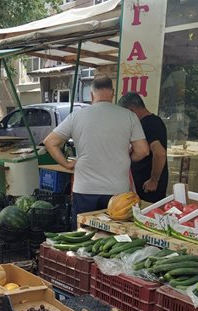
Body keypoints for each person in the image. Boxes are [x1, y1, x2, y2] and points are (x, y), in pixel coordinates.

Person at [44, 77, 150, 228]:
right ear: (112, 94)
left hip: (85, 189)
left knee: (84, 238)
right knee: (111, 241)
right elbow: (143, 151)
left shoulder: (77, 116)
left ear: (92, 95)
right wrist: (126, 157)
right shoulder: (129, 116)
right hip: (118, 193)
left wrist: (66, 164)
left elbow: (50, 142)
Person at [119, 92, 169, 203]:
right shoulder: (147, 122)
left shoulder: (149, 123)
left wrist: (153, 180)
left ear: (131, 111)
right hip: (141, 184)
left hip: (148, 187)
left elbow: (160, 153)